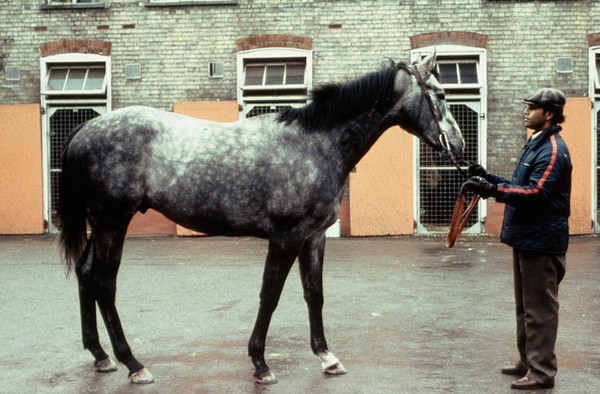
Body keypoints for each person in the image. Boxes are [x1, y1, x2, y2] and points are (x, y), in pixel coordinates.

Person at [465, 88, 572, 390]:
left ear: (548, 114)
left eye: (531, 107)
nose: (525, 112)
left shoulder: (552, 150)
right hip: (527, 239)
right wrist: (489, 178)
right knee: (525, 307)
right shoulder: (535, 144)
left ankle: (541, 372)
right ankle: (528, 361)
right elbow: (518, 185)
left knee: (540, 310)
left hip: (541, 242)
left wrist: (492, 191)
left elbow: (536, 193)